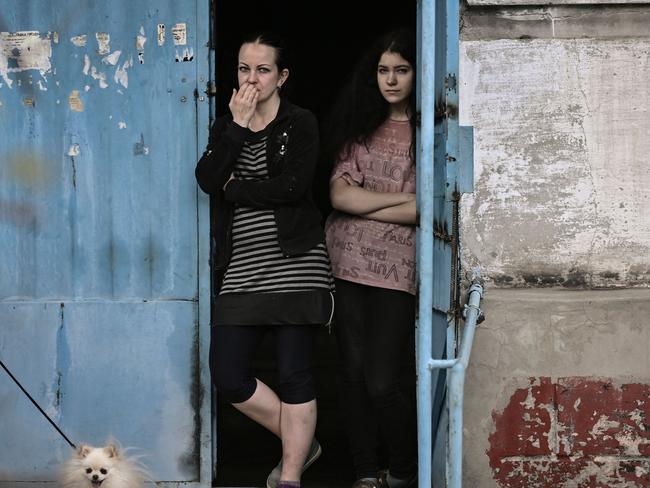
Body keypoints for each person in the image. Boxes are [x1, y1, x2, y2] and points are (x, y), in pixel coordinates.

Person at [195, 32, 334, 488]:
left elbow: (293, 188)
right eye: (243, 68)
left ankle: (290, 475)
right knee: (228, 375)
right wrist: (236, 127)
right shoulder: (226, 125)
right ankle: (304, 441)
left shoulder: (301, 122)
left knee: (295, 373)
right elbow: (207, 179)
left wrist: (236, 189)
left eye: (262, 69)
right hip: (243, 268)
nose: (251, 78)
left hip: (297, 263)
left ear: (282, 76)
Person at [323, 29, 418, 488]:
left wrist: (368, 197)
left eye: (401, 70)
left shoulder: (429, 132)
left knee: (383, 380)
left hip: (397, 271)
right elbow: (340, 197)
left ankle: (401, 470)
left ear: (417, 73)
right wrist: (398, 203)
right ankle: (364, 472)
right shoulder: (359, 127)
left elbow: (428, 207)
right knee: (352, 376)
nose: (391, 80)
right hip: (347, 263)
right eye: (383, 70)